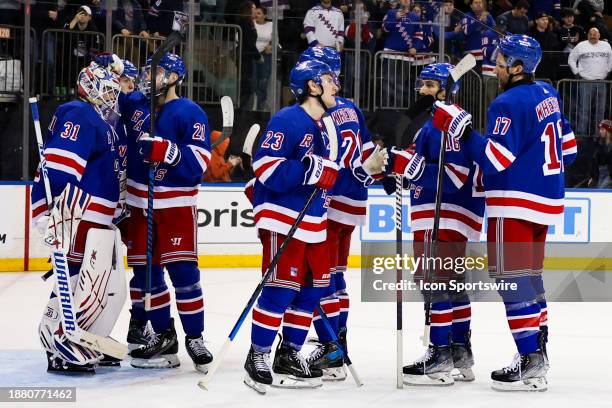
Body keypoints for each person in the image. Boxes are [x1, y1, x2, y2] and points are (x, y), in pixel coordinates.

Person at [431, 34, 577, 391]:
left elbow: (495, 160)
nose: (494, 67)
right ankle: (537, 351)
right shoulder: (549, 93)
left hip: (513, 202)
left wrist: (464, 133)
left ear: (517, 67)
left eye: (500, 61)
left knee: (512, 281)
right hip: (546, 203)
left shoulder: (507, 102)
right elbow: (569, 150)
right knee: (531, 280)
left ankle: (529, 360)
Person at [385, 63, 485, 385]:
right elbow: (415, 166)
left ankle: (440, 352)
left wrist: (411, 170)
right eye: (422, 84)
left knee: (436, 282)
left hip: (444, 213)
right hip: (447, 215)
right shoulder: (429, 124)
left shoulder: (446, 121)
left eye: (429, 85)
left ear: (444, 89)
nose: (422, 90)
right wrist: (391, 172)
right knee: (452, 284)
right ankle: (459, 352)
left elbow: (454, 176)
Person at [244, 59, 340, 394]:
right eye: (330, 80)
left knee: (314, 289)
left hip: (315, 220)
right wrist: (308, 170)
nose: (336, 87)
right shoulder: (287, 119)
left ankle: (289, 354)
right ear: (313, 86)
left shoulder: (327, 126)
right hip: (284, 218)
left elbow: (326, 174)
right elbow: (266, 166)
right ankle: (258, 355)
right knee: (281, 289)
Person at [118, 53, 214, 373]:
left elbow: (199, 162)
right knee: (147, 276)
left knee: (185, 275)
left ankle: (195, 337)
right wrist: (116, 67)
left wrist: (166, 152)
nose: (149, 78)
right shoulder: (136, 106)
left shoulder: (190, 112)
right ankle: (163, 336)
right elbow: (115, 91)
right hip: (139, 205)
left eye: (156, 73)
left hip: (174, 206)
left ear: (174, 77)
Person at [295, 47, 386, 382]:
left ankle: (331, 347)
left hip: (330, 199)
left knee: (319, 276)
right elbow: (365, 154)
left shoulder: (320, 112)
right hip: (354, 199)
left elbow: (319, 160)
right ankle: (337, 341)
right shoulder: (352, 109)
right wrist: (374, 174)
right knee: (336, 274)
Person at [31, 63, 124, 373]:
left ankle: (86, 337)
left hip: (97, 215)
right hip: (79, 212)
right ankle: (56, 340)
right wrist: (48, 209)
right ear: (88, 86)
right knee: (73, 275)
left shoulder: (100, 119)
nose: (112, 96)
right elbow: (58, 167)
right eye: (107, 89)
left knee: (98, 283)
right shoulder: (80, 114)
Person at [568, 27, 612, 136]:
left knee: (600, 110)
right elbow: (571, 59)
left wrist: (607, 72)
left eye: (595, 34)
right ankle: (582, 134)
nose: (593, 36)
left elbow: (610, 60)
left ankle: (598, 135)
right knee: (584, 110)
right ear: (587, 35)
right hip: (585, 81)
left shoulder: (606, 46)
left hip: (602, 82)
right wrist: (577, 73)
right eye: (590, 33)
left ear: (599, 35)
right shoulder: (581, 45)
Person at [252, 6, 273, 111]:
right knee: (253, 81)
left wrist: (271, 45)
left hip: (265, 54)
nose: (256, 15)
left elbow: (275, 39)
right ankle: (252, 105)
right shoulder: (251, 24)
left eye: (259, 13)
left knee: (263, 82)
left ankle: (260, 106)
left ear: (265, 15)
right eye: (255, 13)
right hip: (253, 54)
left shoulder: (271, 25)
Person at [530, 12, 561, 80]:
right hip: (535, 68)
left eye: (546, 19)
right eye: (543, 19)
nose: (545, 21)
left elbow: (556, 53)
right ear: (536, 21)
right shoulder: (530, 36)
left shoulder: (552, 36)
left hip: (548, 70)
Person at [588, 119, 612, 188]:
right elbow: (593, 161)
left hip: (608, 175)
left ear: (608, 131)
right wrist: (591, 176)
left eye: (602, 129)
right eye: (600, 129)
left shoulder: (607, 146)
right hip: (599, 174)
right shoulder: (599, 144)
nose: (600, 131)